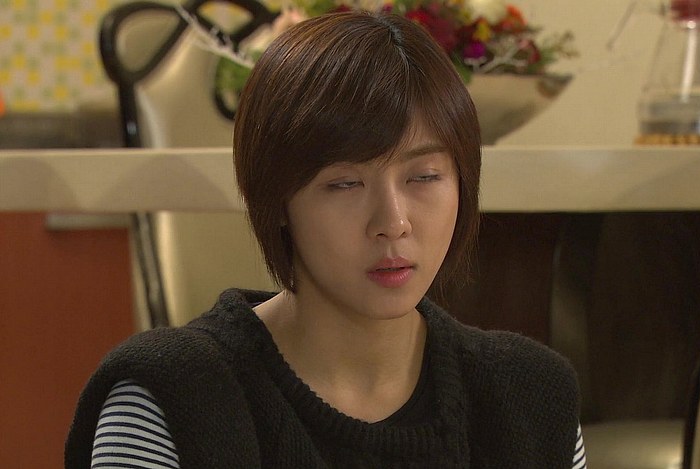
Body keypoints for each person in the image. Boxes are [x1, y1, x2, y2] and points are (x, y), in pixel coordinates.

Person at [65, 10, 586, 468]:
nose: (393, 222)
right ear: (277, 199)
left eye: (424, 176)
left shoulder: (530, 399)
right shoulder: (170, 399)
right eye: (344, 184)